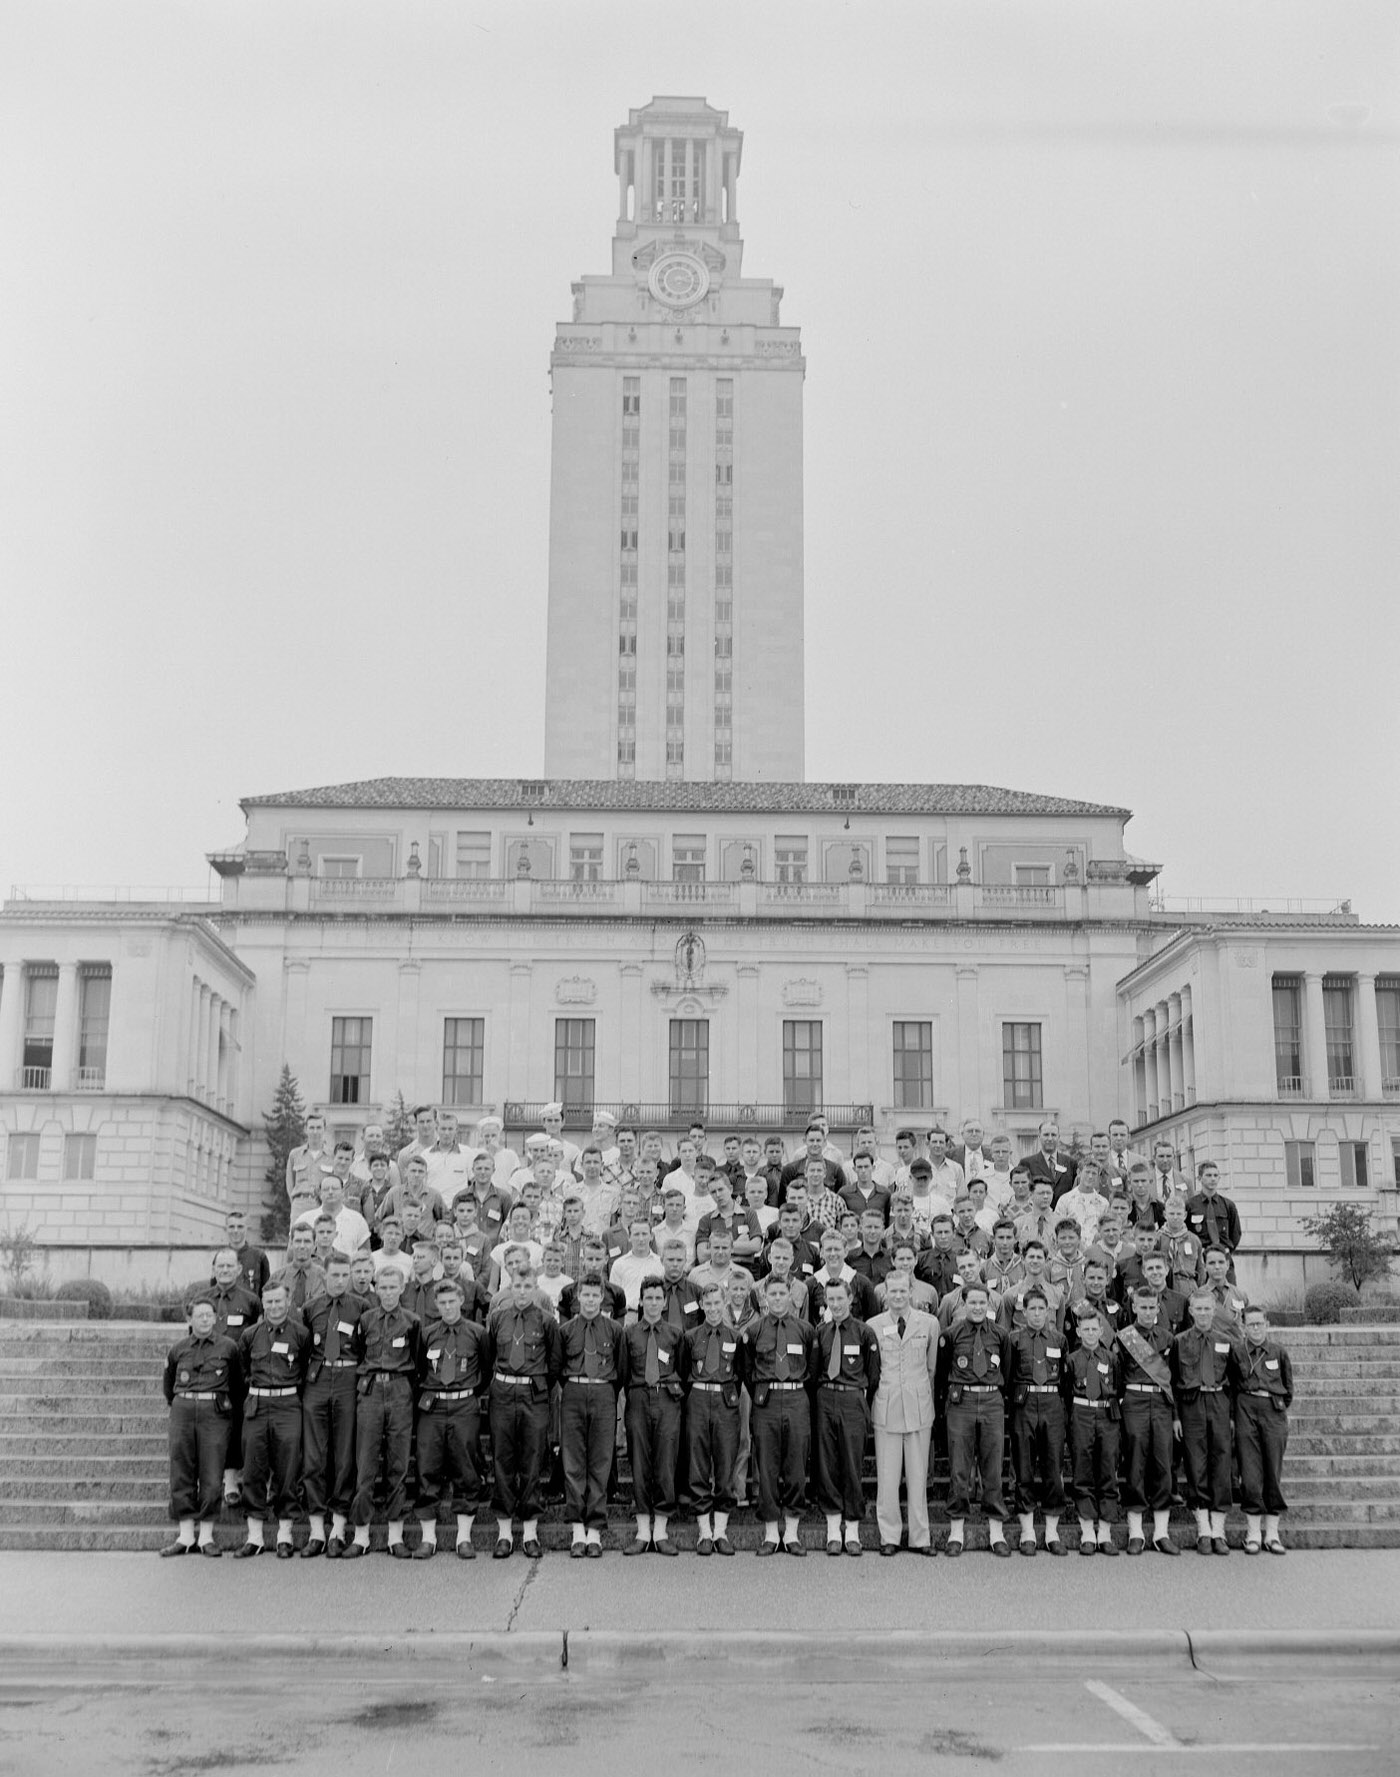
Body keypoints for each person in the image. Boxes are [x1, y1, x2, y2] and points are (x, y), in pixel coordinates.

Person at [485, 1268, 563, 1558]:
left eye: (527, 1285)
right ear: (509, 1286)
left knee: (532, 1461)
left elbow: (554, 1363)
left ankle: (530, 1532)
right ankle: (504, 1533)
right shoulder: (497, 1318)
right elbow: (488, 1354)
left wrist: (538, 1386)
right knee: (503, 1459)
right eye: (517, 1285)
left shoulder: (546, 1321)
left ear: (535, 1288)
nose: (521, 1290)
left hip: (534, 1395)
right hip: (503, 1393)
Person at [347, 1266, 424, 1559]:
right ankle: (361, 1535)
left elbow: (417, 1361)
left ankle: (395, 1536)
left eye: (394, 1287)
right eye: (384, 1287)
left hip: (400, 1390)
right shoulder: (365, 1320)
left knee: (398, 1464)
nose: (389, 1293)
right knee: (365, 1464)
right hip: (370, 1392)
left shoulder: (412, 1321)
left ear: (402, 1288)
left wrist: (404, 1390)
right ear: (376, 1288)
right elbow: (358, 1352)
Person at [413, 1276, 489, 1560]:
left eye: (452, 1302)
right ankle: (428, 1537)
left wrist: (469, 1394)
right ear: (436, 1304)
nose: (447, 1307)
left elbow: (486, 1369)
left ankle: (464, 1537)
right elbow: (420, 1371)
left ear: (461, 1301)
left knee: (466, 1467)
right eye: (442, 1303)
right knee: (427, 1466)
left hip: (464, 1406)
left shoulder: (478, 1333)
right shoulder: (427, 1333)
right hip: (433, 1407)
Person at [234, 1280, 310, 1558]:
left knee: (288, 1468)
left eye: (279, 1301)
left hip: (288, 1404)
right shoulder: (250, 1335)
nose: (275, 1307)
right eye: (269, 1302)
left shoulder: (301, 1334)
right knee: (253, 1468)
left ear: (288, 1303)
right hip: (257, 1403)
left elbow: (306, 1369)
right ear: (262, 1304)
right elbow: (242, 1370)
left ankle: (284, 1535)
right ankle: (254, 1537)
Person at [160, 1299, 242, 1556]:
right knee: (182, 1469)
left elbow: (238, 1385)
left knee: (211, 1472)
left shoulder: (229, 1347)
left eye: (209, 1315)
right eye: (199, 1316)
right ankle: (185, 1536)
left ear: (215, 1318)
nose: (205, 1320)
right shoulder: (178, 1349)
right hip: (183, 1411)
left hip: (215, 1415)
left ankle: (206, 1536)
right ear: (189, 1320)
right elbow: (169, 1384)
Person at [300, 1251, 367, 1558]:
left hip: (348, 1379)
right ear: (323, 1276)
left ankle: (338, 1528)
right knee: (313, 1456)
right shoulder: (310, 1309)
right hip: (317, 1378)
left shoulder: (362, 1308)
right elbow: (302, 1350)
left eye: (345, 1275)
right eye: (334, 1275)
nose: (340, 1281)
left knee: (343, 1456)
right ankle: (316, 1529)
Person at [866, 1270, 938, 1556]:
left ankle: (921, 1538)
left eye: (902, 1291)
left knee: (918, 1477)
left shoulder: (929, 1323)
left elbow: (931, 1367)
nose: (897, 1296)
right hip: (887, 1405)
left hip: (919, 1406)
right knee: (887, 1477)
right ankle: (889, 1537)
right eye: (892, 1291)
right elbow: (873, 1369)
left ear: (911, 1291)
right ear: (885, 1294)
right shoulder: (873, 1325)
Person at [936, 1282, 1011, 1555]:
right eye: (972, 1303)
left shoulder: (1001, 1335)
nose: (978, 1307)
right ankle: (956, 1532)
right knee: (959, 1468)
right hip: (962, 1401)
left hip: (991, 1400)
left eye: (982, 1303)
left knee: (993, 1468)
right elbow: (942, 1373)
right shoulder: (951, 1334)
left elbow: (1008, 1370)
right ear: (964, 1304)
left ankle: (996, 1532)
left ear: (989, 1304)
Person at [743, 1270, 815, 1555]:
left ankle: (793, 1534)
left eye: (781, 1293)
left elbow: (814, 1366)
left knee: (796, 1466)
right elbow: (747, 1371)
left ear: (790, 1296)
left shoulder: (805, 1330)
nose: (776, 1298)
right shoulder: (754, 1331)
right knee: (767, 1466)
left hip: (797, 1398)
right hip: (766, 1401)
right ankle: (771, 1534)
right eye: (771, 1294)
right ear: (764, 1297)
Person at [617, 1276, 688, 1554]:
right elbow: (623, 1372)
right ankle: (642, 1531)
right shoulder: (629, 1333)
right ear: (641, 1301)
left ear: (665, 1301)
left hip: (667, 1399)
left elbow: (682, 1369)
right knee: (639, 1461)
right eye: (649, 1298)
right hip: (637, 1397)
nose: (654, 1303)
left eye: (659, 1298)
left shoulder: (674, 1334)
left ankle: (661, 1531)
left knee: (665, 1462)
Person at [810, 1277, 880, 1556]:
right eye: (831, 1299)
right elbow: (814, 1371)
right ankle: (832, 1528)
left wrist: (861, 1400)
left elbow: (873, 1375)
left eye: (841, 1298)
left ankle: (852, 1529)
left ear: (850, 1299)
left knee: (852, 1462)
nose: (836, 1304)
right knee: (827, 1463)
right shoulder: (820, 1332)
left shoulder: (865, 1332)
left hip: (853, 1398)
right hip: (826, 1397)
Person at [558, 1274, 623, 1558]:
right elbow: (558, 1367)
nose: (590, 1300)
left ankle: (595, 1530)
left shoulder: (615, 1330)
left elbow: (621, 1369)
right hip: (573, 1391)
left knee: (600, 1462)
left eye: (595, 1296)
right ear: (577, 1298)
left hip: (604, 1393)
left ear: (602, 1299)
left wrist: (604, 1390)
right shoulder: (565, 1331)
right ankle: (576, 1531)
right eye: (585, 1295)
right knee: (573, 1462)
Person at [680, 1282, 744, 1556]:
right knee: (698, 1464)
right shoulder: (691, 1337)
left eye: (718, 1303)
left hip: (726, 1402)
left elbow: (741, 1373)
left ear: (725, 1302)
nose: (714, 1308)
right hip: (698, 1399)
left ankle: (721, 1531)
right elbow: (683, 1372)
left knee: (725, 1464)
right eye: (709, 1304)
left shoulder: (736, 1337)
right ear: (702, 1306)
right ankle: (704, 1532)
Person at [1171, 1288, 1236, 1556]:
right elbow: (1172, 1381)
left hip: (1219, 1403)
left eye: (1208, 1308)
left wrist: (1231, 1415)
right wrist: (1176, 1416)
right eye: (1198, 1309)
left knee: (1220, 1463)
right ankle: (1203, 1530)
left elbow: (1234, 1381)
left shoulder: (1225, 1340)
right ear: (1191, 1311)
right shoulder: (1179, 1341)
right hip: (1191, 1404)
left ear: (1215, 1310)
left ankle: (1219, 1531)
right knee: (1196, 1464)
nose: (1203, 1313)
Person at [194, 1249, 261, 1506]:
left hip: (237, 1374)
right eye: (220, 1266)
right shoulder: (202, 1299)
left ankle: (231, 1480)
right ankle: (207, 1479)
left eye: (229, 1266)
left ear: (239, 1270)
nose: (224, 1270)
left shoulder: (251, 1300)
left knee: (235, 1426)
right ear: (213, 1269)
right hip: (207, 1376)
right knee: (207, 1428)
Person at [1116, 1285, 1179, 1556]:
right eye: (1143, 1307)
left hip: (1162, 1406)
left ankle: (1161, 1533)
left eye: (1152, 1307)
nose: (1148, 1312)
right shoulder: (1123, 1338)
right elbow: (1117, 1377)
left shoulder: (1168, 1339)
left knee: (1163, 1464)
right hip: (1134, 1403)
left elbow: (1172, 1380)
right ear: (1134, 1307)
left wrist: (1175, 1415)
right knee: (1135, 1463)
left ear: (1158, 1308)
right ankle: (1136, 1532)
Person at [1007, 1288, 1068, 1555]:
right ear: (1023, 1311)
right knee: (1024, 1466)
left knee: (1053, 1466)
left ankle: (1052, 1530)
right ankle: (1028, 1530)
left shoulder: (1059, 1339)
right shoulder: (1014, 1339)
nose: (1037, 1314)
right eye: (1032, 1309)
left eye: (1041, 1309)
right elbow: (1008, 1376)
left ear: (1049, 1311)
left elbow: (1065, 1378)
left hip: (1052, 1404)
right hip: (1025, 1403)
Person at [1229, 1305, 1293, 1555]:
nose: (1255, 1329)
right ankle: (1253, 1533)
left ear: (1266, 1324)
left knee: (1272, 1470)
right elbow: (1233, 1384)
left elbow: (1288, 1387)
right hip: (1246, 1408)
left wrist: (1276, 1410)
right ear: (1243, 1327)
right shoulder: (1237, 1352)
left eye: (1259, 1324)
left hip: (1273, 1411)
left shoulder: (1278, 1352)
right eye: (1250, 1324)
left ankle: (1273, 1534)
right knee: (1251, 1472)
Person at [1062, 1305, 1120, 1555]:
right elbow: (1065, 1392)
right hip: (1081, 1413)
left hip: (1106, 1414)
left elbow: (1120, 1388)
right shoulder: (1071, 1360)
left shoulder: (1112, 1359)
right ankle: (1087, 1530)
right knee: (1082, 1470)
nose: (1090, 1334)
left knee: (1108, 1469)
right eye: (1085, 1329)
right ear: (1078, 1331)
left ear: (1101, 1331)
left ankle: (1105, 1532)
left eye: (1094, 1329)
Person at [286, 1112, 334, 1223]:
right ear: (306, 1129)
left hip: (322, 1205)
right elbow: (290, 1183)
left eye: (318, 1127)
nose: (315, 1131)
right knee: (297, 1237)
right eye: (311, 1127)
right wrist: (294, 1201)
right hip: (300, 1204)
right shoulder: (295, 1154)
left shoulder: (332, 1156)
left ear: (324, 1129)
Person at [223, 1210, 270, 1296]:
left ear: (246, 1228)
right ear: (226, 1228)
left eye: (240, 1226)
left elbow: (266, 1291)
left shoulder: (259, 1256)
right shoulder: (220, 1257)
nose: (236, 1231)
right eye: (231, 1227)